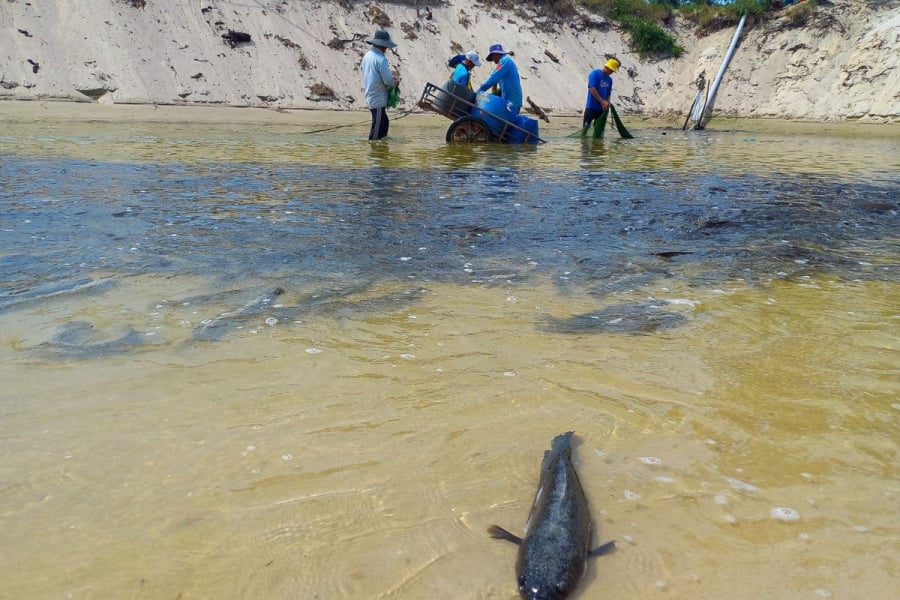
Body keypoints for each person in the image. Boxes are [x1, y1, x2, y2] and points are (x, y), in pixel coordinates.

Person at [360, 29, 399, 140]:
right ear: (382, 45)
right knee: (376, 132)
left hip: (371, 94)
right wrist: (395, 82)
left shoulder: (367, 56)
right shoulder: (381, 59)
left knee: (384, 122)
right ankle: (375, 152)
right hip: (377, 97)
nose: (386, 49)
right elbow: (388, 81)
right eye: (386, 46)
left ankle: (382, 150)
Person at [475, 43, 523, 114]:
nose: (493, 60)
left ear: (496, 54)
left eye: (492, 57)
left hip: (512, 102)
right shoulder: (506, 61)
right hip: (510, 100)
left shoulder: (504, 61)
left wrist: (479, 91)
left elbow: (493, 78)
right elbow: (496, 81)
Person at [582, 57, 620, 131]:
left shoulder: (609, 79)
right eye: (611, 70)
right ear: (607, 67)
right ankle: (584, 142)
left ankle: (597, 143)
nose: (612, 72)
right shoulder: (595, 74)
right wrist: (601, 101)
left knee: (599, 130)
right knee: (585, 129)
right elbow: (592, 88)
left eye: (613, 71)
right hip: (591, 107)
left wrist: (607, 103)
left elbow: (608, 93)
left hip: (602, 110)